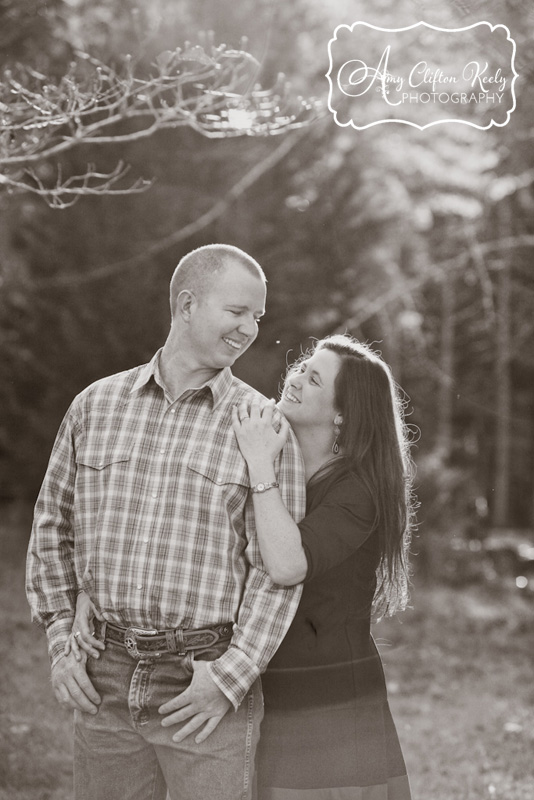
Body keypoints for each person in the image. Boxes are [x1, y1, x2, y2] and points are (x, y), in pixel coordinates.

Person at [26, 244, 306, 800]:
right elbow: (52, 530)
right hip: (102, 677)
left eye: (258, 317)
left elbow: (275, 572)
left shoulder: (263, 427)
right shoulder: (94, 406)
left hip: (202, 684)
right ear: (187, 303)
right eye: (237, 311)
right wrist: (61, 642)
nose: (250, 328)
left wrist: (230, 678)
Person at [230, 334, 415, 799]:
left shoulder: (358, 492)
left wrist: (259, 466)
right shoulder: (282, 464)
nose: (294, 378)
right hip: (266, 681)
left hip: (330, 697)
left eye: (314, 379)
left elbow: (288, 564)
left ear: (342, 415)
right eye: (302, 367)